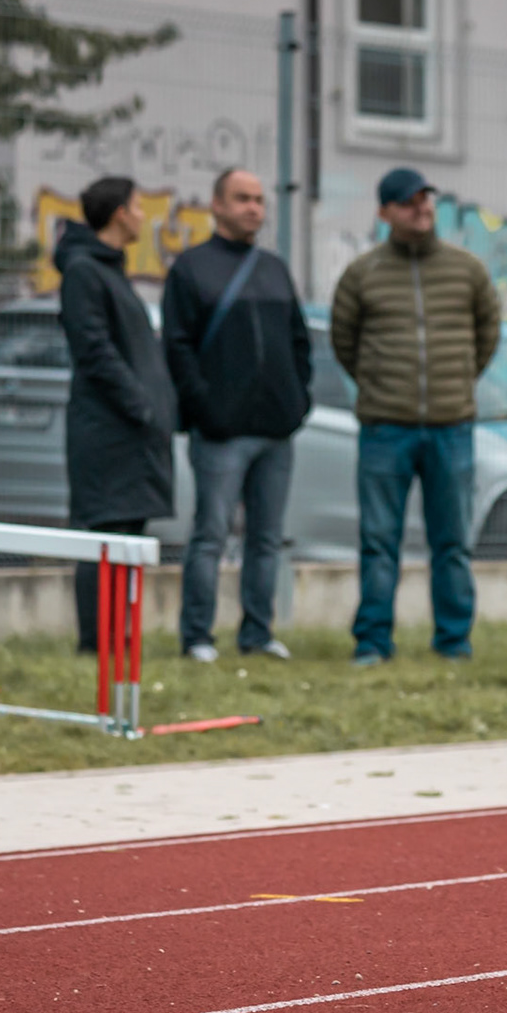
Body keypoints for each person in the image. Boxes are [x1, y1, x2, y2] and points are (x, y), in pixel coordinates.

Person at [330, 167, 500, 666]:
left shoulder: (467, 270)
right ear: (385, 212)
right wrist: (382, 386)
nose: (421, 208)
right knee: (378, 540)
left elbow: (487, 334)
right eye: (408, 202)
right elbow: (344, 342)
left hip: (452, 426)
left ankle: (453, 642)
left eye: (425, 198)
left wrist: (456, 381)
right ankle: (372, 642)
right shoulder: (362, 274)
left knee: (452, 541)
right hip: (385, 428)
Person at [163, 168, 312, 664]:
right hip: (220, 433)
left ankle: (257, 634)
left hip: (276, 431)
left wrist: (297, 402)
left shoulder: (273, 268)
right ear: (217, 205)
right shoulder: (191, 269)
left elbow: (298, 341)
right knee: (211, 534)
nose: (254, 208)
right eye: (243, 198)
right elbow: (177, 348)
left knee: (266, 539)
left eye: (259, 200)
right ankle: (197, 637)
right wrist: (206, 408)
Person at [56, 176, 177, 653]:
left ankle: (120, 641)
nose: (144, 216)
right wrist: (140, 404)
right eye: (138, 207)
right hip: (108, 432)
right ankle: (96, 645)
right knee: (104, 536)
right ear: (120, 214)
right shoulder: (84, 271)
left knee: (127, 534)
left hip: (132, 432)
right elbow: (94, 351)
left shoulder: (110, 269)